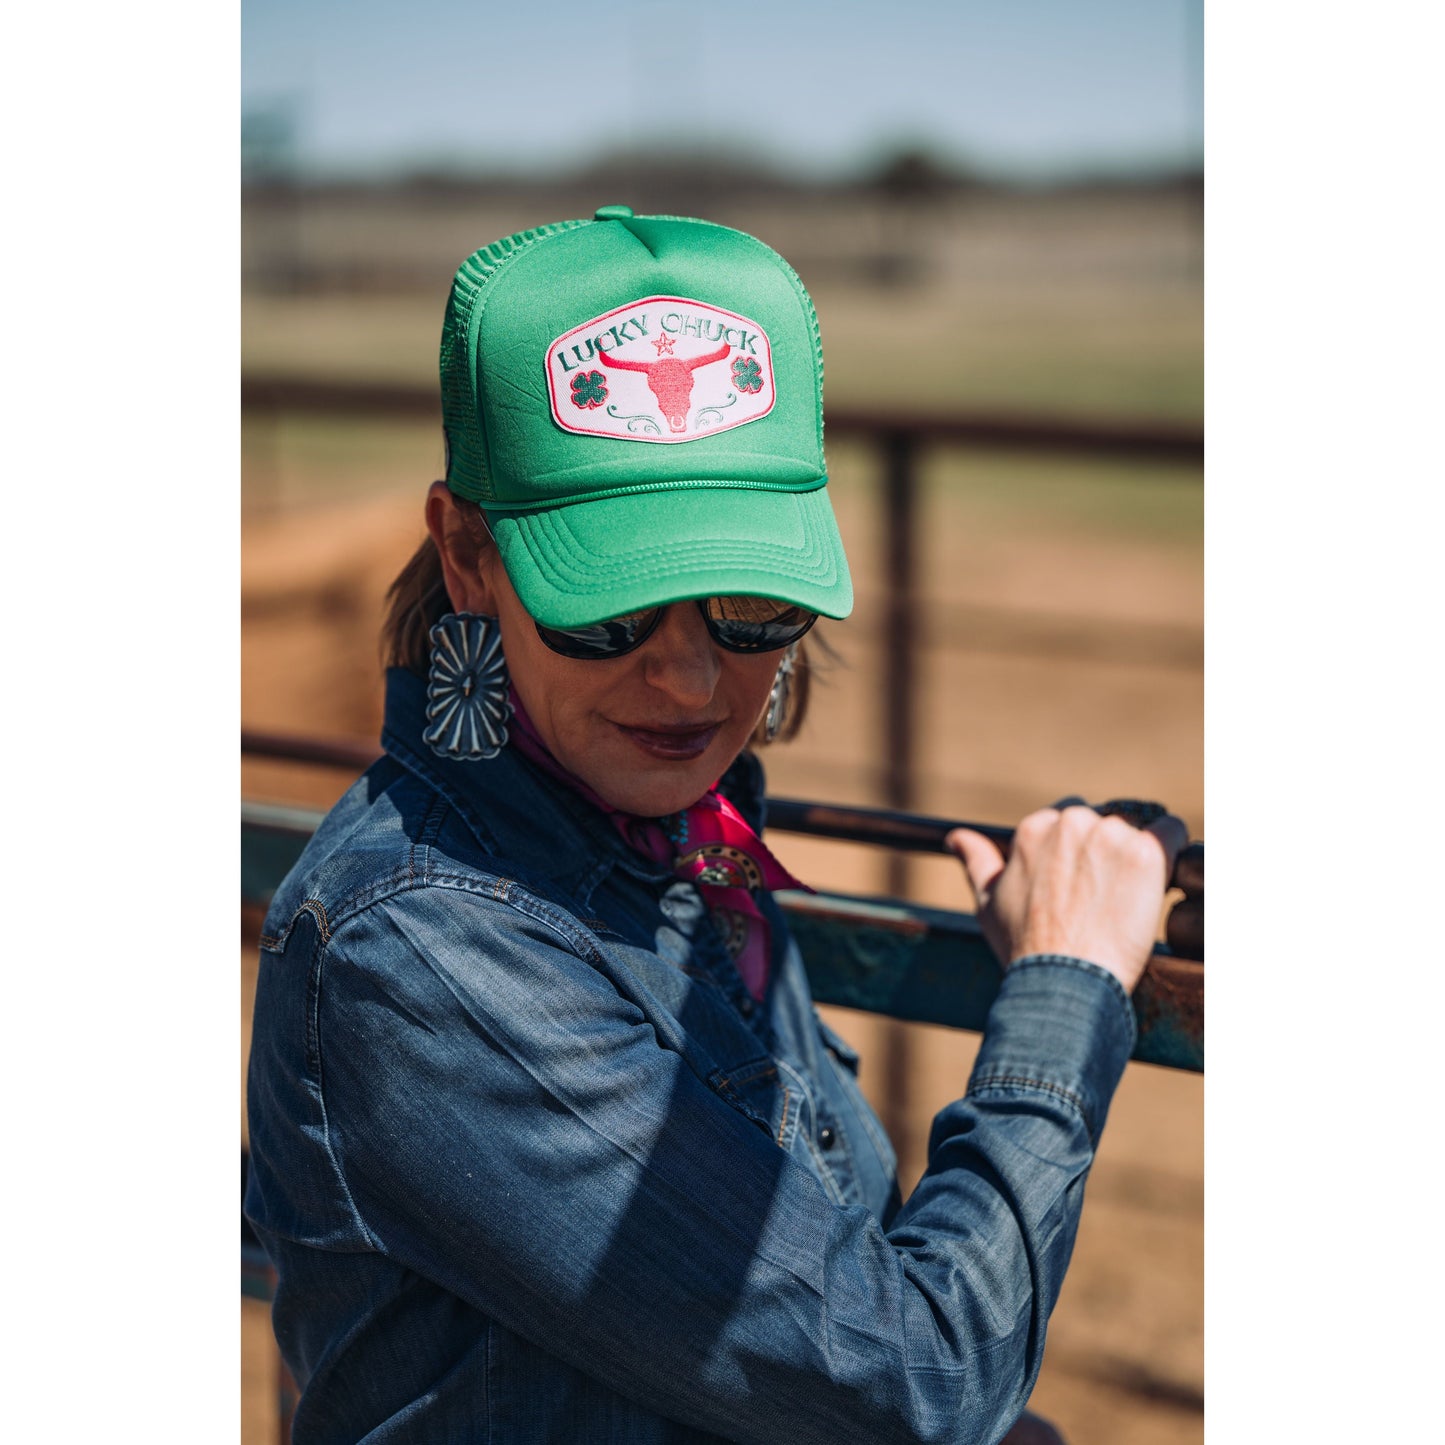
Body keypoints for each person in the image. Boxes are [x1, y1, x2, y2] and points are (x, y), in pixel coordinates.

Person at [244, 206, 1185, 1445]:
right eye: (609, 607)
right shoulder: (420, 951)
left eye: (748, 600)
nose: (688, 682)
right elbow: (909, 1385)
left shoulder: (688, 842)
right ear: (467, 558)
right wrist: (1061, 992)